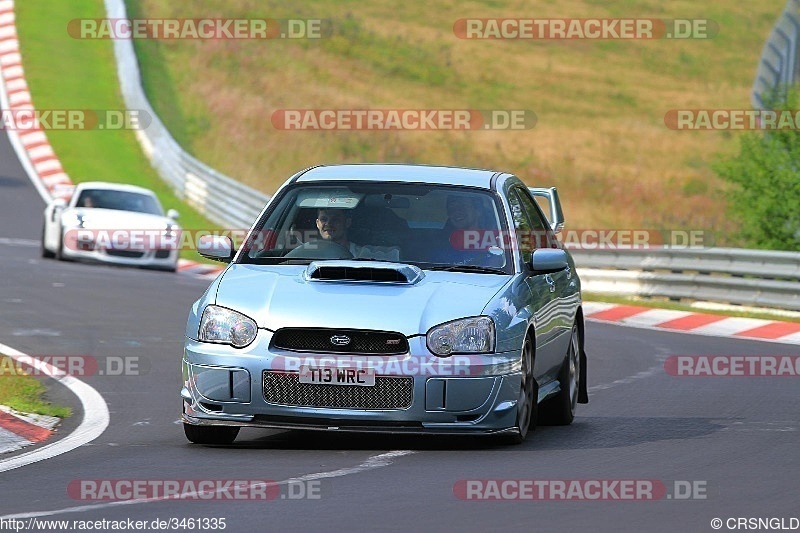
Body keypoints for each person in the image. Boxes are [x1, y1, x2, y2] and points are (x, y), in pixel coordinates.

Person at [316, 208, 401, 261]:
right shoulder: (307, 254)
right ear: (317, 223)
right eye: (323, 219)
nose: (328, 223)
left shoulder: (365, 254)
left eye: (335, 219)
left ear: (347, 223)